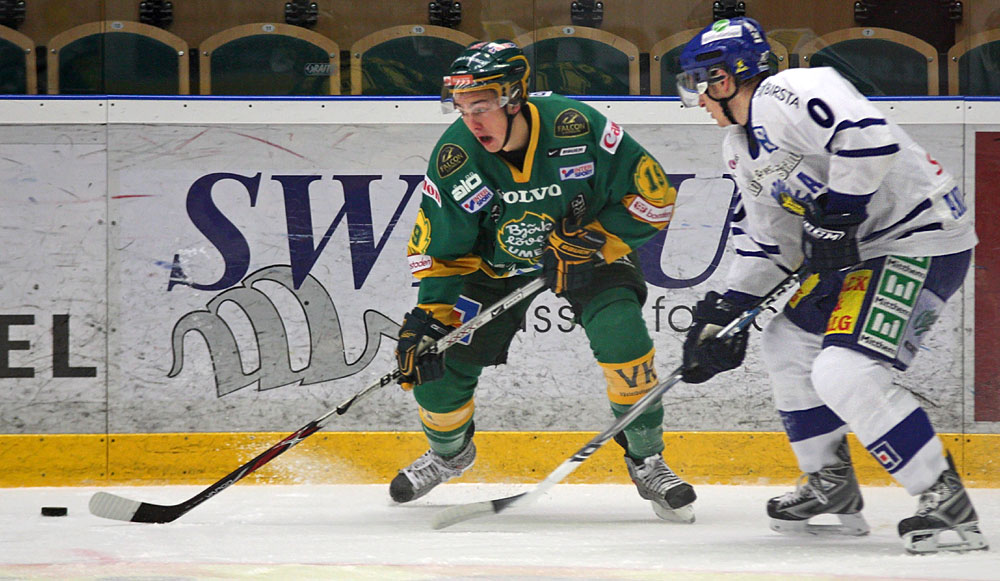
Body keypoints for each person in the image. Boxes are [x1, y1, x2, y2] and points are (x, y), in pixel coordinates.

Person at [676, 17, 988, 554]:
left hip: (919, 238)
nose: (697, 99)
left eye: (698, 84)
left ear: (724, 78)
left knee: (845, 370)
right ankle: (831, 483)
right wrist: (723, 311)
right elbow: (773, 243)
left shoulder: (792, 90)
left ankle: (945, 498)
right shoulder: (738, 146)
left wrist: (840, 215)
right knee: (785, 342)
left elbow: (869, 138)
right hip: (864, 254)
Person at [392, 39, 696, 523]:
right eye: (463, 108)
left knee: (624, 339)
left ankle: (647, 459)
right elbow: (443, 248)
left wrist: (595, 239)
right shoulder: (456, 157)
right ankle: (449, 453)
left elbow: (653, 199)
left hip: (586, 256)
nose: (472, 121)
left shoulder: (577, 126)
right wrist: (429, 316)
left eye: (482, 107)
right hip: (491, 271)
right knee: (437, 369)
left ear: (514, 97)